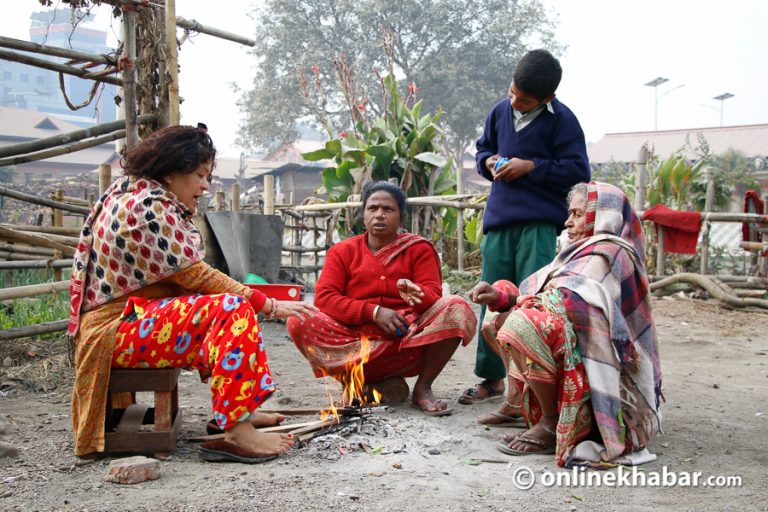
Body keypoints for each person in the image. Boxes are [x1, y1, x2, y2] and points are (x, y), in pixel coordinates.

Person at [69, 125, 318, 463]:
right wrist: (269, 304)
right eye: (200, 175)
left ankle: (237, 410)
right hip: (114, 331)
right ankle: (236, 429)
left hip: (132, 319)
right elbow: (196, 275)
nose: (205, 185)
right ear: (173, 171)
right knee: (230, 309)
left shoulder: (140, 196)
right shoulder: (145, 209)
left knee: (229, 308)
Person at [469, 182, 662, 466]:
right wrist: (501, 296)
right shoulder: (578, 251)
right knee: (503, 315)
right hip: (573, 346)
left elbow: (575, 304)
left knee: (523, 323)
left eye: (578, 214)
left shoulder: (612, 252)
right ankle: (518, 403)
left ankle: (550, 423)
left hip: (599, 365)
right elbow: (547, 295)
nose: (567, 222)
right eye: (570, 213)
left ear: (604, 216)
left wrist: (521, 305)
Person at [461, 48, 591, 407]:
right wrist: (488, 161)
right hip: (499, 222)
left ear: (548, 98)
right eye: (512, 92)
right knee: (492, 300)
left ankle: (532, 384)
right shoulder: (500, 110)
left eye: (525, 99)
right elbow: (482, 149)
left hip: (537, 226)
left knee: (529, 302)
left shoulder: (563, 121)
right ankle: (492, 378)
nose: (515, 101)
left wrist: (530, 166)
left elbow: (578, 171)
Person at [287, 181, 477, 416]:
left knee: (456, 306)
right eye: (372, 208)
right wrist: (374, 312)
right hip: (354, 342)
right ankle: (355, 384)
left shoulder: (419, 249)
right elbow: (325, 298)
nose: (379, 215)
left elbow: (433, 296)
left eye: (388, 209)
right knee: (298, 320)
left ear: (400, 216)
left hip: (405, 341)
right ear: (362, 214)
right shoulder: (342, 251)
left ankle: (423, 388)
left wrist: (416, 296)